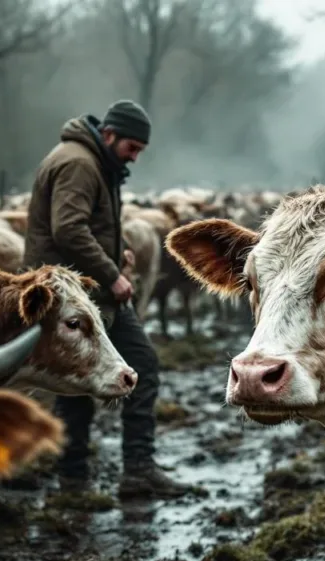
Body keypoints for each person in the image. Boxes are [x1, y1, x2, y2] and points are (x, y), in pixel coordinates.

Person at [22, 100, 195, 499]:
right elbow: (68, 229)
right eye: (132, 147)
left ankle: (81, 475)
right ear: (110, 134)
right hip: (80, 293)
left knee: (84, 380)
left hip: (85, 289)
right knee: (132, 367)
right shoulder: (79, 163)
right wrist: (112, 274)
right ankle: (121, 471)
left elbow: (88, 225)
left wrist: (119, 254)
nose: (134, 157)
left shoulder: (93, 160)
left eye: (140, 150)